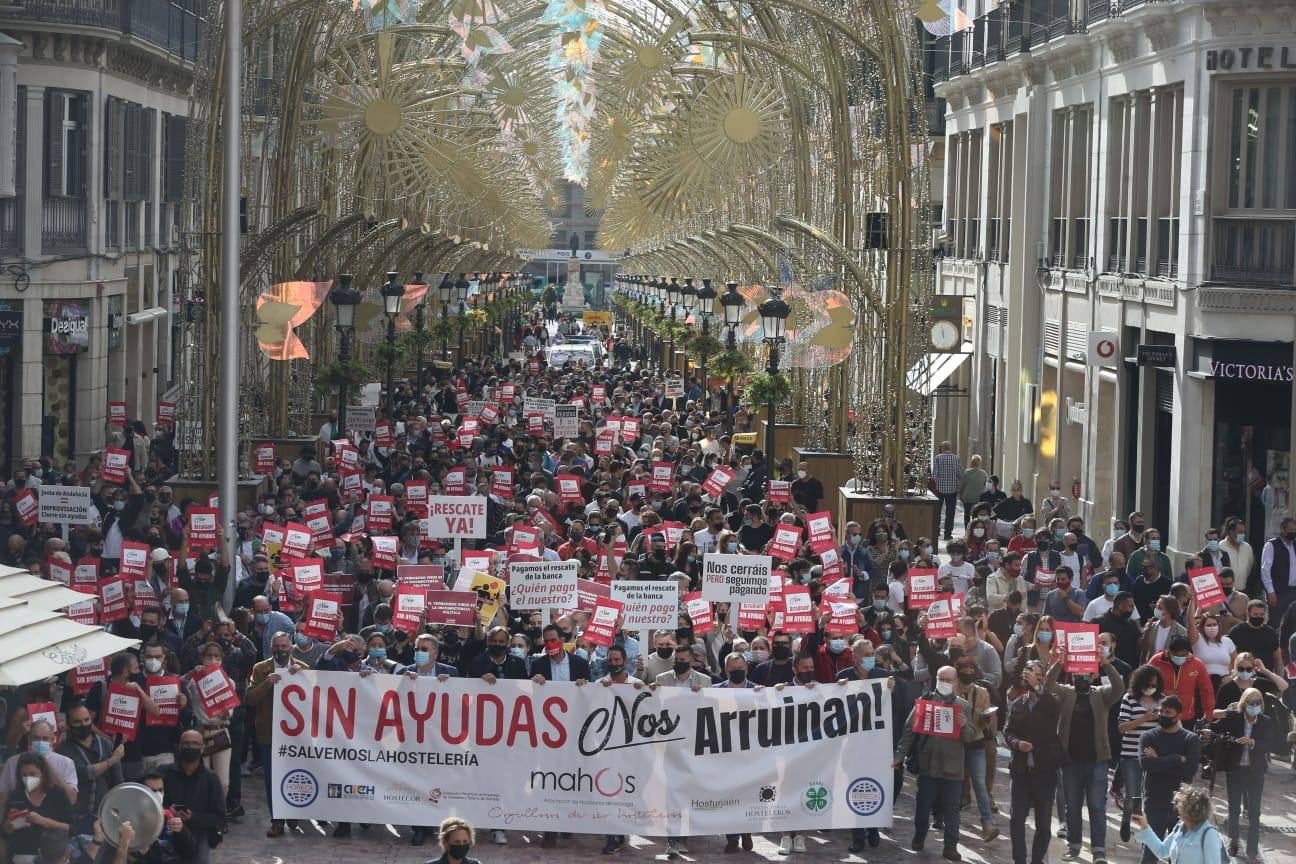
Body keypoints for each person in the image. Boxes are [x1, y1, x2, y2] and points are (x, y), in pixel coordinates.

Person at [1046, 648, 1125, 864]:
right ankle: (1074, 847)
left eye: (1086, 675)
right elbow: (1047, 685)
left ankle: (1099, 851)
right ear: (1072, 676)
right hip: (1070, 762)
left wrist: (1105, 663)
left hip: (1097, 762)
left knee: (1097, 807)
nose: (1081, 678)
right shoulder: (1066, 693)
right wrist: (1059, 664)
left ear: (1092, 676)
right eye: (1077, 675)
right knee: (1072, 806)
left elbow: (1119, 687)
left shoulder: (1101, 694)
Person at [893, 665, 978, 861]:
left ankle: (950, 846)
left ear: (956, 682)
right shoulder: (925, 701)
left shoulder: (963, 706)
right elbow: (909, 731)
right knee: (923, 805)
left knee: (951, 810)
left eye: (949, 680)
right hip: (928, 765)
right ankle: (919, 836)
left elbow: (970, 737)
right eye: (941, 678)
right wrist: (899, 756)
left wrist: (964, 725)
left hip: (953, 768)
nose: (944, 683)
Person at [1004, 659, 1066, 864]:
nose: (1031, 678)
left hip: (1044, 772)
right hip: (1021, 771)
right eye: (1028, 675)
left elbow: (1055, 708)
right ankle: (1019, 860)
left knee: (1043, 823)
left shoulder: (1051, 700)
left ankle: (1037, 860)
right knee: (1016, 819)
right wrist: (1017, 743)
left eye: (1036, 675)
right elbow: (1008, 731)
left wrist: (1039, 686)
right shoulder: (1017, 704)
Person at [245, 632, 307, 839]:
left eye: (284, 646)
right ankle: (277, 821)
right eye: (276, 646)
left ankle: (293, 813)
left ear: (291, 647)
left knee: (296, 775)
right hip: (268, 734)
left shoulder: (302, 667)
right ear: (271, 648)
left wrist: (302, 675)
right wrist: (268, 684)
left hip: (296, 737)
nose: (280, 649)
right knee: (272, 780)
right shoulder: (260, 668)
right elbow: (250, 699)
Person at [1209, 687, 1275, 859]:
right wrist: (1211, 730)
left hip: (1255, 771)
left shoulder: (1265, 721)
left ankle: (1252, 850)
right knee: (1233, 809)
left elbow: (1269, 744)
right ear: (1244, 704)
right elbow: (1215, 721)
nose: (1256, 706)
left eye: (1258, 702)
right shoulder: (1234, 717)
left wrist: (1252, 742)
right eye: (1252, 703)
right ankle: (1233, 840)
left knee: (1254, 812)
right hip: (1236, 769)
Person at [1138, 695, 1201, 864]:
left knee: (1179, 855)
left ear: (1178, 716)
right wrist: (1176, 759)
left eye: (1168, 712)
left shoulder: (1190, 739)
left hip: (1181, 806)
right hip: (1155, 803)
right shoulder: (1148, 737)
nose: (1163, 715)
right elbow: (1146, 765)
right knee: (1149, 853)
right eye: (1160, 711)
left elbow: (1190, 770)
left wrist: (1159, 759)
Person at [162, 729, 225, 862]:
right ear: (179, 748)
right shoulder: (166, 773)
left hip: (199, 835)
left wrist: (192, 817)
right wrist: (169, 812)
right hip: (168, 832)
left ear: (202, 748)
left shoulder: (211, 779)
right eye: (186, 744)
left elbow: (219, 818)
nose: (190, 747)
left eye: (195, 744)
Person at [1, 752, 72, 862]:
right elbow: (4, 832)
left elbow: (72, 829)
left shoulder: (57, 794)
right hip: (21, 857)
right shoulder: (16, 795)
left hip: (52, 859)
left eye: (33, 774)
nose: (28, 778)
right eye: (24, 775)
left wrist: (43, 821)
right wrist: (10, 825)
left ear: (43, 775)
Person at [1131, 786, 1225, 864]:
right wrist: (1145, 826)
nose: (1177, 810)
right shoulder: (1181, 827)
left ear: (1189, 811)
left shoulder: (1209, 835)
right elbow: (1162, 851)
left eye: (1180, 807)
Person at [1259, 515, 1296, 622]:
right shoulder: (1272, 545)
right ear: (1282, 529)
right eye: (1290, 530)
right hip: (1279, 592)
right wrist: (1270, 592)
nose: (1293, 533)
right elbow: (1265, 570)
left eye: (1295, 530)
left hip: (1294, 591)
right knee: (1276, 622)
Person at [931, 442, 963, 541]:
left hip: (939, 489)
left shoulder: (938, 458)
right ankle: (947, 533)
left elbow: (934, 474)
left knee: (937, 511)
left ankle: (936, 531)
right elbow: (960, 473)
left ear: (942, 448)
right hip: (952, 489)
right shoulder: (956, 458)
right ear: (950, 448)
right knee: (950, 512)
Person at [959, 455, 989, 528]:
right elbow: (988, 484)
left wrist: (959, 493)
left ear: (971, 462)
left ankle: (967, 529)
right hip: (978, 497)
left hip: (967, 497)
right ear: (979, 463)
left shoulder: (966, 472)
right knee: (975, 514)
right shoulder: (983, 473)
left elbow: (961, 484)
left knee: (967, 514)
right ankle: (974, 529)